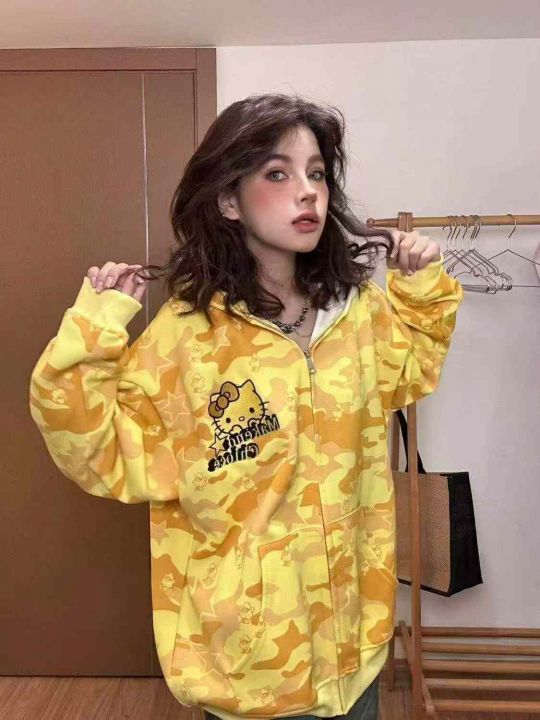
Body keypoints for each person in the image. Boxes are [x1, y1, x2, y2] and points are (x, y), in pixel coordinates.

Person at [29, 93, 463, 720]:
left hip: (356, 643)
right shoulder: (187, 336)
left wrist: (420, 289)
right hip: (249, 662)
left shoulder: (358, 312)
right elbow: (98, 450)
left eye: (317, 173)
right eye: (277, 174)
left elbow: (410, 373)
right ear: (229, 200)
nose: (307, 192)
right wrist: (95, 328)